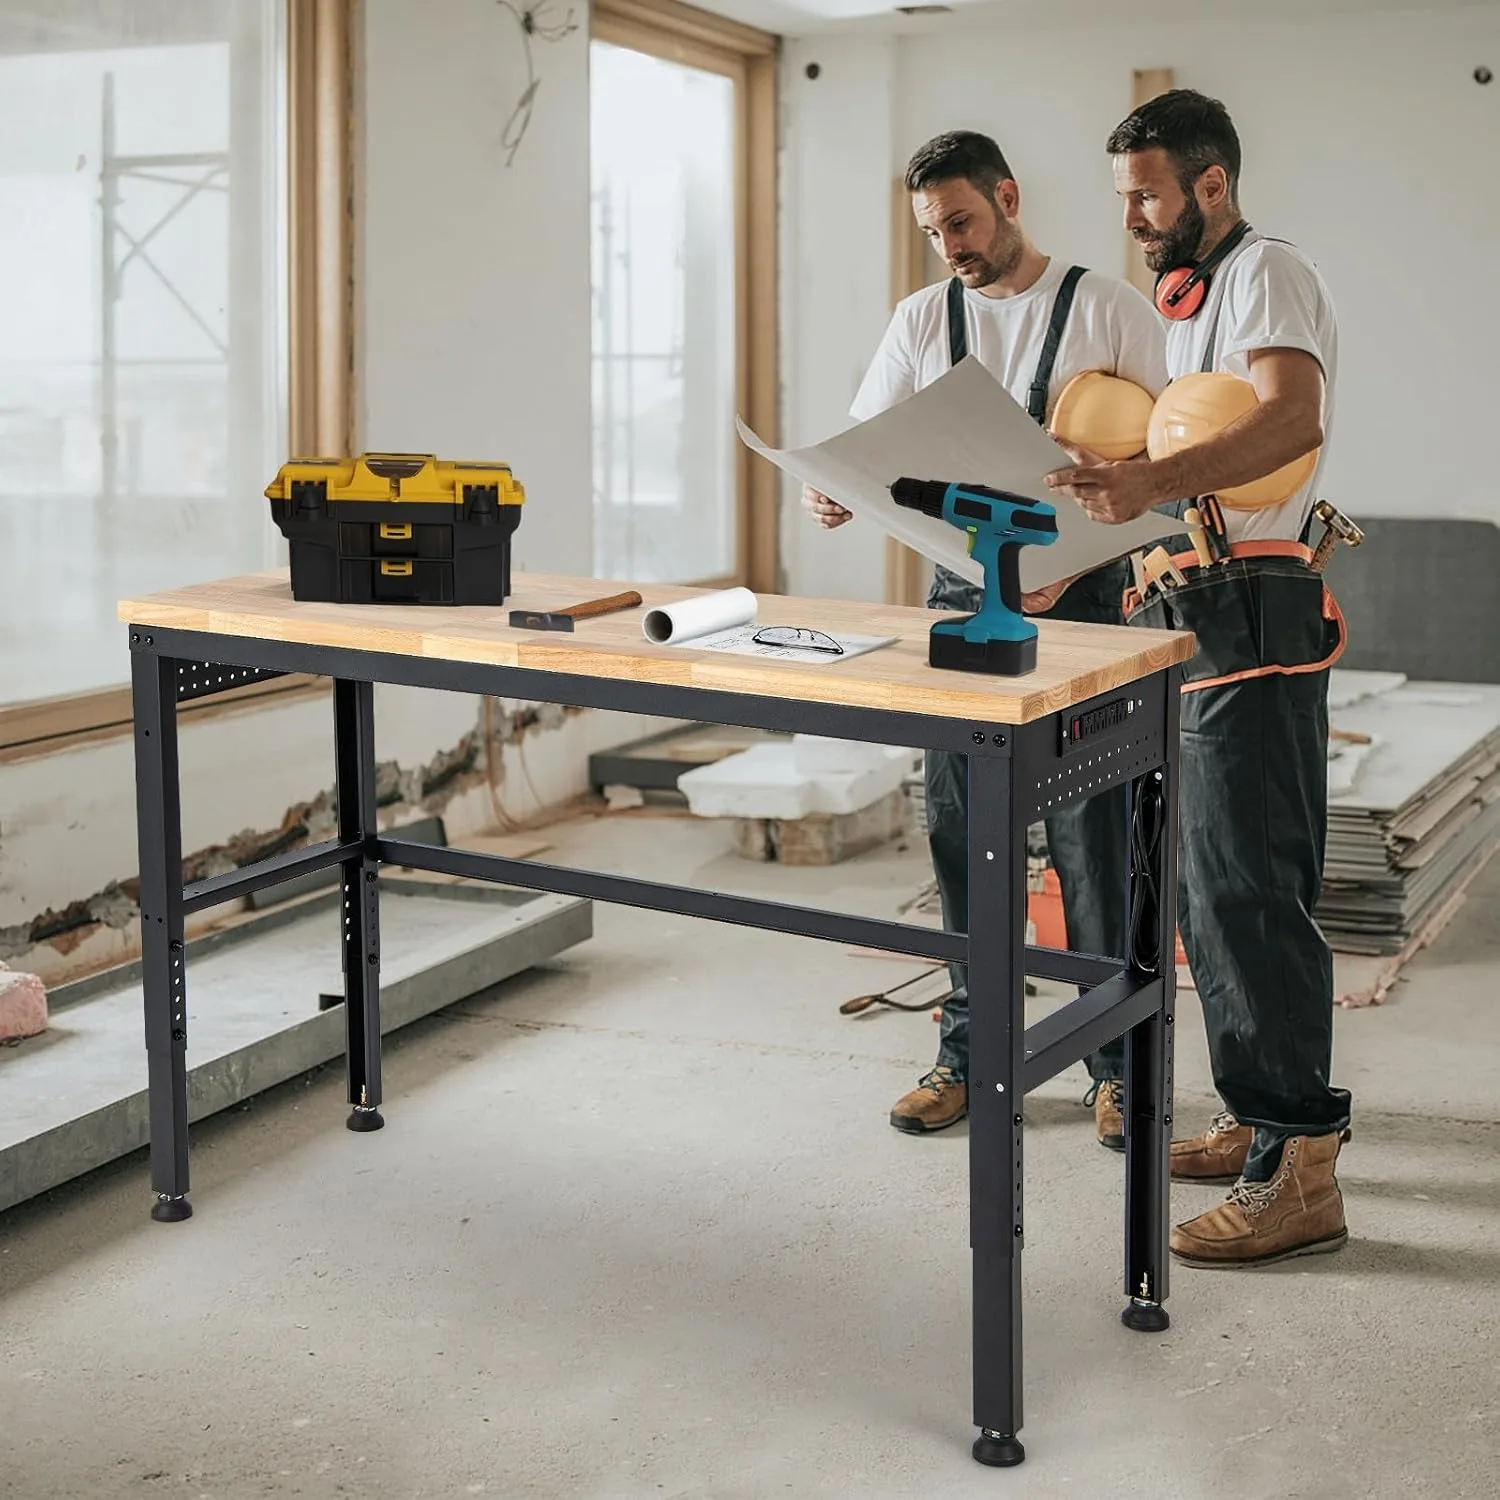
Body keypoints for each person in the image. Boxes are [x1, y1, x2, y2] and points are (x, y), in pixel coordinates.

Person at [802, 130, 1166, 1144]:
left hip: (1086, 607)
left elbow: (1165, 459)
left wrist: (1086, 554)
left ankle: (1114, 1068)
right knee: (964, 835)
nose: (949, 246)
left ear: (1008, 197)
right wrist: (833, 491)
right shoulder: (925, 317)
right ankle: (967, 1054)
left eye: (960, 222)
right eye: (932, 231)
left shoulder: (1107, 307)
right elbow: (870, 446)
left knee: (1095, 839)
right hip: (962, 604)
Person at [1045, 89, 1352, 1267]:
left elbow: (1286, 422)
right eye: (1124, 196)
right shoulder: (1194, 304)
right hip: (1196, 598)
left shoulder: (1266, 270)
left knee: (1247, 888)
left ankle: (1300, 1164)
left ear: (1209, 185)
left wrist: (1146, 489)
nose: (1131, 217)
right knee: (1206, 884)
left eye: (1146, 195)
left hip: (1254, 600)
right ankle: (1257, 1113)